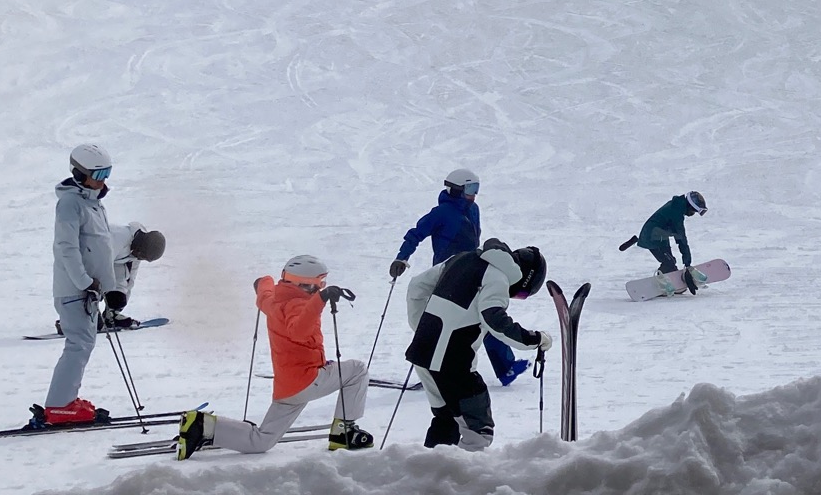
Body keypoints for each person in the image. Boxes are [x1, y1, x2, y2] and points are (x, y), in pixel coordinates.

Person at [174, 255, 373, 458]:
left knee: (262, 440)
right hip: (308, 380)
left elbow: (264, 294)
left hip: (287, 387)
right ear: (306, 284)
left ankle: (202, 425)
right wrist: (320, 301)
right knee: (357, 370)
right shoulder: (299, 305)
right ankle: (344, 433)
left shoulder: (274, 300)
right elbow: (298, 330)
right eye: (319, 283)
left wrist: (262, 282)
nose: (321, 288)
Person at [403, 239, 551, 450]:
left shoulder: (461, 258)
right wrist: (534, 340)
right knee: (478, 431)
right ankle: (467, 479)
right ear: (524, 278)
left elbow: (417, 286)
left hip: (423, 353)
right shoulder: (498, 278)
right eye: (521, 293)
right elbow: (494, 319)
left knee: (447, 420)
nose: (514, 296)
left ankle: (427, 473)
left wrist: (424, 328)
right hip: (451, 361)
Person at [387, 169, 526, 386]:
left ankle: (506, 367)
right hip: (446, 276)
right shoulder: (440, 213)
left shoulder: (474, 209)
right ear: (457, 189)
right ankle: (430, 367)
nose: (474, 194)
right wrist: (401, 258)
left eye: (477, 189)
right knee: (439, 324)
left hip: (472, 272)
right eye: (471, 189)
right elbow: (415, 233)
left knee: (486, 316)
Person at [35, 144, 121, 426]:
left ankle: (64, 401)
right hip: (75, 290)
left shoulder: (93, 202)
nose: (103, 179)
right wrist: (85, 282)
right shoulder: (71, 203)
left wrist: (109, 288)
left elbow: (99, 247)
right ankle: (59, 406)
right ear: (80, 173)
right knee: (79, 344)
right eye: (98, 173)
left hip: (87, 291)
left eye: (107, 172)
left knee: (83, 343)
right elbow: (67, 247)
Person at [104, 222, 166, 329]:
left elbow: (130, 279)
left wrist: (117, 306)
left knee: (118, 297)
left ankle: (111, 315)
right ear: (141, 244)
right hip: (80, 257)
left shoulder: (137, 253)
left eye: (143, 258)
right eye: (141, 254)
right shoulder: (117, 238)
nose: (139, 257)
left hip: (112, 260)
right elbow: (97, 265)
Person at [634, 192, 707, 277]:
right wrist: (687, 264)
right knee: (668, 263)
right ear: (689, 206)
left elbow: (678, 235)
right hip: (651, 237)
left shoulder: (677, 206)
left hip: (660, 237)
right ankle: (661, 282)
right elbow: (681, 238)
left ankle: (671, 282)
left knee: (670, 261)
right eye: (693, 211)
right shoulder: (676, 213)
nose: (692, 214)